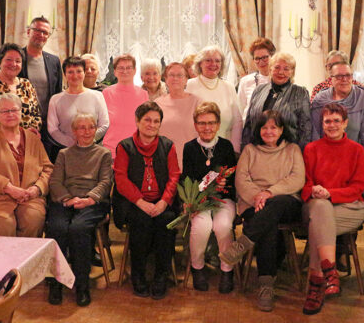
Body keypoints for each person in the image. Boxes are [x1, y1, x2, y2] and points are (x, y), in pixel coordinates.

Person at [219, 110, 305, 312]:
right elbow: (241, 181)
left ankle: (244, 243)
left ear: (282, 130)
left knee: (276, 206)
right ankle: (266, 285)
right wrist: (257, 198)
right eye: (264, 127)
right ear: (258, 130)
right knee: (269, 226)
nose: (269, 131)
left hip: (286, 202)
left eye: (274, 127)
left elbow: (297, 179)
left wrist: (268, 193)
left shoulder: (293, 150)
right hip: (253, 203)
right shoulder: (250, 150)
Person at [300, 103, 364, 315]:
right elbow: (305, 183)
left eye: (336, 120)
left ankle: (316, 283)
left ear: (345, 123)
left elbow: (358, 187)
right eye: (327, 121)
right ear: (322, 124)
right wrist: (315, 191)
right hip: (316, 205)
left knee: (318, 225)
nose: (332, 125)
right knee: (321, 210)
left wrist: (331, 193)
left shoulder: (357, 150)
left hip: (349, 208)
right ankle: (328, 271)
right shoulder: (312, 149)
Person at [114, 101, 180, 299]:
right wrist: (141, 202)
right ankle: (139, 275)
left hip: (161, 202)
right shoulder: (124, 147)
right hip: (134, 203)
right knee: (140, 222)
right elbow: (121, 179)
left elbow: (174, 176)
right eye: (147, 120)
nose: (151, 124)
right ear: (137, 121)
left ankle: (161, 275)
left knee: (166, 222)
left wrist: (163, 202)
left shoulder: (168, 146)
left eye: (156, 121)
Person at [46, 113, 113, 307]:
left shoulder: (103, 154)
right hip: (66, 200)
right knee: (57, 227)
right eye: (81, 128)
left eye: (91, 127)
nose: (86, 131)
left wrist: (90, 199)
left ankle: (82, 284)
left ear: (96, 130)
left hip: (92, 203)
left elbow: (106, 181)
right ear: (74, 131)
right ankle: (56, 282)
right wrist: (68, 199)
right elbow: (56, 181)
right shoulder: (64, 154)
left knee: (78, 228)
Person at [0, 93, 52, 237]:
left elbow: (48, 169)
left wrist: (37, 188)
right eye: (4, 111)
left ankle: (29, 259)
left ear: (21, 112)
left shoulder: (33, 138)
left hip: (29, 197)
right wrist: (8, 188)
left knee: (33, 220)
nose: (10, 114)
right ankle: (3, 260)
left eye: (14, 110)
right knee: (5, 225)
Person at [182, 102, 237, 293]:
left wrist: (223, 184)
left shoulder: (226, 146)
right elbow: (188, 180)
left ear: (218, 124)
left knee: (223, 226)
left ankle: (227, 269)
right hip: (200, 200)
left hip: (223, 198)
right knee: (201, 226)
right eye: (202, 123)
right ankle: (197, 268)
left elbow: (233, 178)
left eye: (212, 123)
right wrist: (205, 185)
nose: (207, 127)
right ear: (195, 125)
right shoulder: (189, 148)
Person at [241, 52, 311, 151]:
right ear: (270, 69)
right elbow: (248, 125)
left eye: (286, 69)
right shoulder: (259, 90)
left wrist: (300, 154)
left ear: (292, 72)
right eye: (277, 67)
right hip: (257, 152)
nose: (281, 72)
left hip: (286, 153)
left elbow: (305, 129)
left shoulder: (300, 93)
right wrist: (244, 150)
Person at [311, 61, 364, 160]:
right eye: (339, 76)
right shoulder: (320, 99)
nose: (344, 79)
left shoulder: (362, 97)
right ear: (331, 79)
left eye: (348, 75)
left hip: (355, 157)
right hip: (325, 157)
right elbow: (315, 133)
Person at [19, 16, 63, 160]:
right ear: (28, 32)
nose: (41, 35)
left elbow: (57, 95)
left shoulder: (54, 61)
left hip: (46, 126)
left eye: (45, 33)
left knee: (46, 165)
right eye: (37, 30)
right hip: (21, 125)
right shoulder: (15, 58)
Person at [186, 46, 242, 152]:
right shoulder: (189, 85)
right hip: (195, 150)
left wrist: (234, 149)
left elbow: (237, 122)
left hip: (224, 149)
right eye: (208, 60)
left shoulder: (229, 87)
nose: (213, 64)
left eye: (217, 61)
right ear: (200, 63)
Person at [47, 57, 109, 149]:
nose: (75, 76)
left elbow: (104, 124)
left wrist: (87, 140)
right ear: (64, 75)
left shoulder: (97, 96)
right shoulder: (55, 99)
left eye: (79, 71)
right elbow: (52, 129)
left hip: (93, 149)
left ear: (84, 73)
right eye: (70, 72)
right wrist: (72, 142)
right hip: (65, 150)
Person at [155, 62, 202, 169]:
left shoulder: (197, 102)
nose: (175, 78)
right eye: (171, 75)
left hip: (192, 162)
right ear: (166, 79)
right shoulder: (157, 104)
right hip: (164, 163)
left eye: (180, 75)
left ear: (186, 79)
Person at [103, 54, 149, 159]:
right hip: (111, 152)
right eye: (120, 68)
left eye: (129, 67)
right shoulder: (106, 93)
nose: (125, 71)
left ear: (134, 70)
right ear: (114, 71)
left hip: (136, 152)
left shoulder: (143, 95)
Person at [237, 38, 274, 122]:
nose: (261, 62)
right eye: (257, 58)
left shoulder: (280, 81)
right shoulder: (245, 81)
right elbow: (240, 111)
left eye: (265, 57)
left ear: (272, 56)